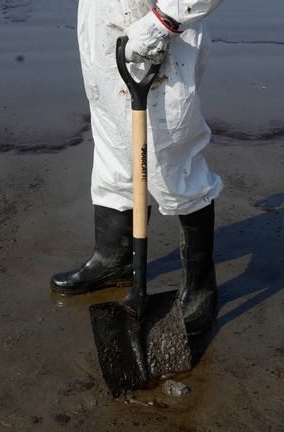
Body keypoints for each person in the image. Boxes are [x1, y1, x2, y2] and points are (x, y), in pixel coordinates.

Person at [50, 0, 226, 335]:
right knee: (114, 147)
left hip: (157, 31)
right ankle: (113, 259)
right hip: (103, 21)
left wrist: (163, 22)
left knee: (168, 158)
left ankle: (200, 286)